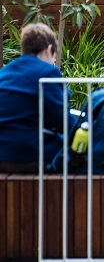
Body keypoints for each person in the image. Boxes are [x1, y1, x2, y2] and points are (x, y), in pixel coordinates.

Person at [0, 23, 74, 173]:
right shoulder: (47, 73)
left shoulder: (4, 73)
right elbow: (64, 122)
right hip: (30, 156)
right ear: (49, 50)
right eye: (54, 58)